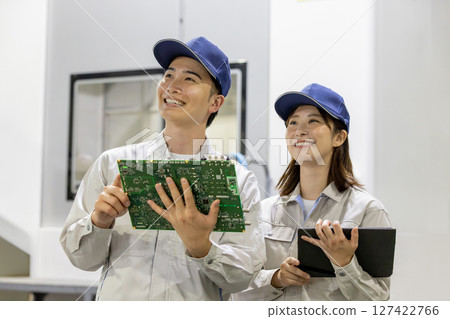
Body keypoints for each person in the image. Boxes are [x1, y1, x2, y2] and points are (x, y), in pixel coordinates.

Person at [60, 36, 265, 300]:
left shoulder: (237, 181)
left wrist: (202, 247)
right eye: (168, 75)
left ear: (215, 103)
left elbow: (244, 276)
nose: (171, 86)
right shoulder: (114, 165)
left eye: (189, 79)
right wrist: (99, 221)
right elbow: (82, 260)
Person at [233, 83, 391, 301]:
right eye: (293, 122)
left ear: (339, 137)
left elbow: (379, 302)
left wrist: (344, 263)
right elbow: (237, 290)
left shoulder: (367, 210)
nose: (299, 130)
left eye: (313, 121)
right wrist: (276, 278)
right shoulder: (265, 211)